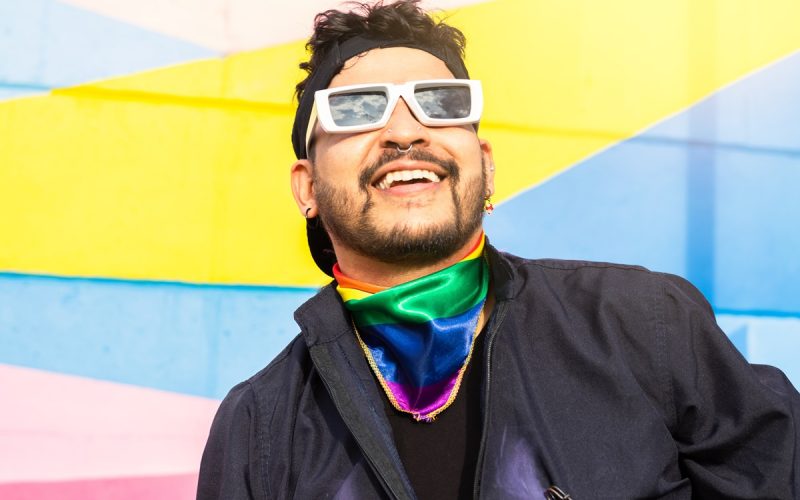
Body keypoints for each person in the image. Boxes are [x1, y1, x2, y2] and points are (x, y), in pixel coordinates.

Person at [197, 1, 800, 498]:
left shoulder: (644, 324)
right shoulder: (259, 428)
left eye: (442, 103)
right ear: (307, 188)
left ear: (485, 167)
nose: (404, 131)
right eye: (357, 111)